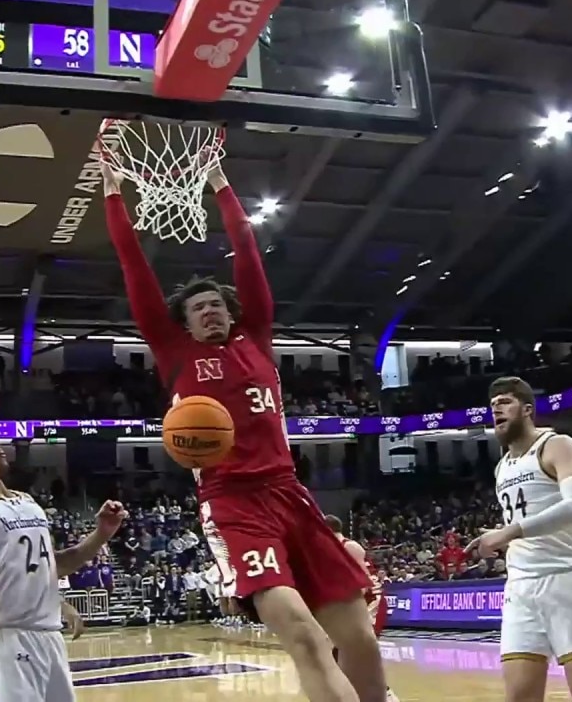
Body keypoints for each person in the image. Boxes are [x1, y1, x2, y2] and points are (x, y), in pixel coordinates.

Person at [101, 150, 384, 702]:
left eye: (217, 305)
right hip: (233, 501)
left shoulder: (256, 338)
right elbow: (134, 265)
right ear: (181, 324)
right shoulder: (175, 352)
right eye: (198, 308)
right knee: (304, 638)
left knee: (360, 637)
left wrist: (222, 186)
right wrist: (113, 194)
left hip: (289, 492)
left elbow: (248, 256)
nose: (210, 310)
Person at [0, 423, 128, 702]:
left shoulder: (28, 502)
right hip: (5, 639)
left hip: (49, 637)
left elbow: (52, 567)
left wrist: (101, 534)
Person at [466, 376, 572, 702]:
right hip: (520, 587)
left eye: (505, 402)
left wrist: (510, 532)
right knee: (518, 696)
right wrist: (500, 541)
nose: (496, 409)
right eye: (492, 405)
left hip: (566, 580)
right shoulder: (502, 466)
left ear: (527, 409)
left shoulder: (556, 445)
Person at [324, 515, 398, 702]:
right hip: (358, 602)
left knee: (358, 653)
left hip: (371, 602)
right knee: (339, 654)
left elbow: (362, 585)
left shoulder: (349, 547)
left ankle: (386, 696)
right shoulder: (332, 549)